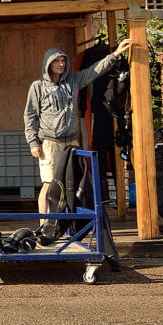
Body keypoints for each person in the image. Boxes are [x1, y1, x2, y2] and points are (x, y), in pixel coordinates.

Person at [24, 38, 133, 222]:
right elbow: (29, 115)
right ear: (48, 64)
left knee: (72, 184)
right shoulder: (38, 86)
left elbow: (94, 71)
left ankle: (67, 226)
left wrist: (115, 55)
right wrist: (33, 143)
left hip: (71, 142)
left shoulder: (73, 80)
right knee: (49, 185)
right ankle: (44, 226)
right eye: (57, 61)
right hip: (49, 143)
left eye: (63, 61)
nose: (61, 64)